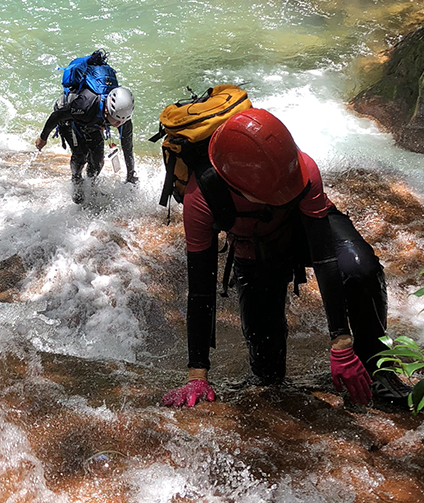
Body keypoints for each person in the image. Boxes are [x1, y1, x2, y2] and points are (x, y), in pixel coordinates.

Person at [162, 107, 405, 409]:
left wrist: (341, 342)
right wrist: (197, 374)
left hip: (304, 228)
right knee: (267, 372)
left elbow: (325, 258)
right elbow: (200, 288)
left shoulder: (301, 168)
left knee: (360, 268)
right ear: (237, 186)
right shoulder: (201, 199)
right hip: (255, 247)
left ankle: (377, 369)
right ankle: (268, 372)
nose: (285, 191)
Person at [35, 58, 137, 203]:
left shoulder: (122, 117)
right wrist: (43, 138)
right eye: (116, 120)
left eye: (122, 121)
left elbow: (128, 148)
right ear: (107, 109)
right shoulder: (85, 106)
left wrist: (131, 176)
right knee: (81, 154)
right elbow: (57, 116)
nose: (119, 124)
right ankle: (76, 179)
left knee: (97, 161)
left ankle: (91, 183)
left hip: (92, 121)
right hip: (69, 118)